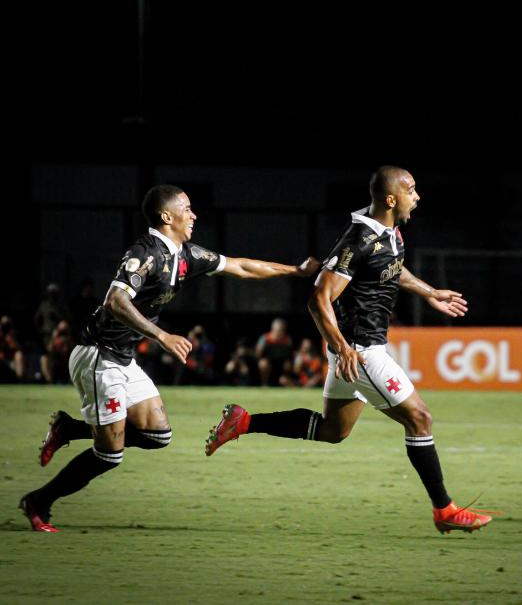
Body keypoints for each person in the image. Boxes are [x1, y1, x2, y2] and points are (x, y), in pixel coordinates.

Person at [205, 166, 494, 534]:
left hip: (356, 350)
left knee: (333, 431)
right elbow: (318, 299)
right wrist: (342, 348)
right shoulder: (357, 240)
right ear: (391, 199)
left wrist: (431, 293)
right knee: (420, 419)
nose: (417, 197)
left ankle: (244, 421)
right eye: (412, 190)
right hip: (361, 351)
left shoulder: (388, 232)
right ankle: (445, 509)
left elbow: (393, 268)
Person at [19, 184, 319, 532]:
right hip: (98, 357)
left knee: (156, 435)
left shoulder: (184, 255)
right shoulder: (145, 253)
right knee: (110, 454)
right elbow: (116, 300)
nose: (193, 214)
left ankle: (70, 427)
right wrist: (161, 335)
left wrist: (295, 271)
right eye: (187, 208)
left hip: (121, 359)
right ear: (167, 216)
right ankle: (39, 502)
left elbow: (240, 267)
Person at [255, 317, 294, 386]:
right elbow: (257, 354)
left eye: (282, 330)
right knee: (263, 363)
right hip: (269, 363)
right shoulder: (265, 338)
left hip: (280, 363)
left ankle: (287, 383)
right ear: (273, 329)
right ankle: (264, 384)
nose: (281, 332)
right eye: (279, 330)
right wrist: (261, 348)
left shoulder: (287, 340)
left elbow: (290, 355)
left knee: (288, 365)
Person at [0, 315, 25, 382]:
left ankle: (20, 381)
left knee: (19, 355)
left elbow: (17, 348)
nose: (5, 327)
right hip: (1, 358)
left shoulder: (13, 334)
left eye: (7, 324)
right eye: (3, 324)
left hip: (10, 360)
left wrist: (10, 338)